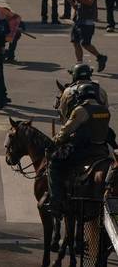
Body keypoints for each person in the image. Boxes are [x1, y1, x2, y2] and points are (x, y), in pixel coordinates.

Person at [44, 81, 112, 216]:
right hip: (102, 149)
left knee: (54, 164)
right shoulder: (105, 110)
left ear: (80, 96)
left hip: (83, 150)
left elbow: (66, 130)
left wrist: (55, 141)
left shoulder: (81, 110)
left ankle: (56, 203)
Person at [68, 0, 108, 72]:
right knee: (75, 42)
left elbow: (90, 2)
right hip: (78, 20)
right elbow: (77, 7)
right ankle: (79, 64)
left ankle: (100, 57)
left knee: (85, 43)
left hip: (87, 21)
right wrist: (71, 0)